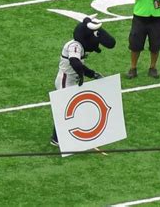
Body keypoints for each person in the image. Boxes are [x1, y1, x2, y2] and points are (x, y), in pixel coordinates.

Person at [50, 15, 116, 147]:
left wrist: (90, 74)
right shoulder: (74, 45)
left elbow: (80, 64)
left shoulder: (81, 44)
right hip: (66, 79)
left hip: (73, 79)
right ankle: (56, 138)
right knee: (65, 108)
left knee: (74, 106)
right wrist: (84, 74)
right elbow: (74, 62)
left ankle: (77, 132)